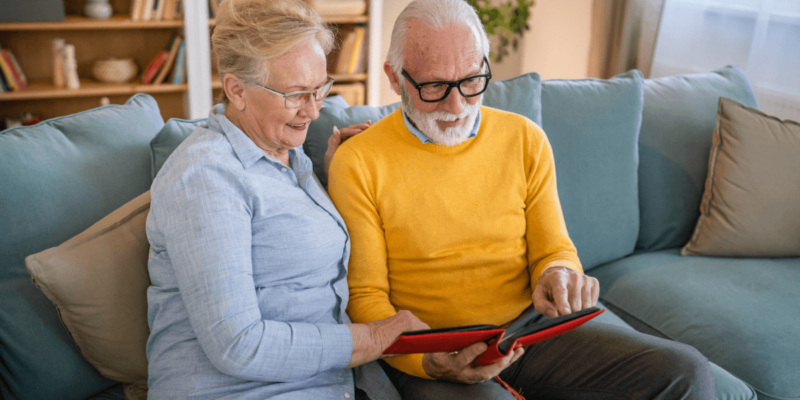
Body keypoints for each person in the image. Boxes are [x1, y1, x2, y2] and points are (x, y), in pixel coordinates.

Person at [327, 0, 717, 398]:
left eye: (471, 81)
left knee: (686, 372)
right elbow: (366, 297)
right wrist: (424, 361)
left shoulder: (525, 139)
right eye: (433, 87)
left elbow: (554, 249)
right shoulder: (358, 161)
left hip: (527, 334)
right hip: (432, 349)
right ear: (395, 78)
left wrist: (559, 273)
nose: (456, 106)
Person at [144, 0, 428, 398]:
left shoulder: (289, 156)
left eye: (319, 89)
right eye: (296, 94)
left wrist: (333, 176)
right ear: (236, 91)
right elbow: (238, 345)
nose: (313, 110)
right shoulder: (206, 177)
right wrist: (376, 337)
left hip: (327, 384)